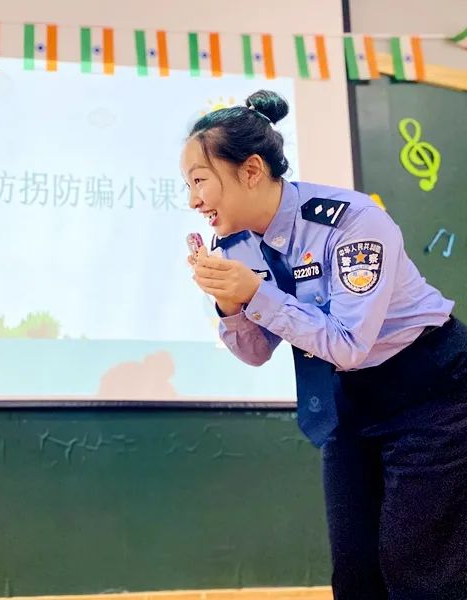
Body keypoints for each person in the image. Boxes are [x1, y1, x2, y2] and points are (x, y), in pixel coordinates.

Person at [183, 90, 467, 599]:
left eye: (200, 180)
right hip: (349, 402)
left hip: (431, 393)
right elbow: (255, 352)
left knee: (419, 568)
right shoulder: (236, 245)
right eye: (188, 185)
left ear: (251, 170)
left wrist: (256, 294)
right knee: (355, 573)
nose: (193, 200)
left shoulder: (352, 222)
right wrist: (230, 305)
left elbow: (350, 343)